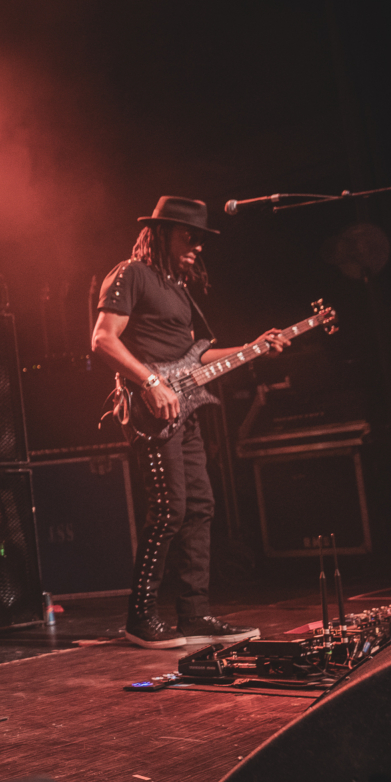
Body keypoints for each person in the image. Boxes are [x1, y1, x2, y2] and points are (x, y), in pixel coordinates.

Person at [90, 196, 289, 649]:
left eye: (202, 239)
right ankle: (140, 619)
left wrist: (253, 347)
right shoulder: (131, 273)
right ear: (161, 233)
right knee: (169, 509)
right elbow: (103, 340)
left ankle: (194, 615)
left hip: (186, 410)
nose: (198, 246)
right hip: (152, 409)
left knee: (200, 506)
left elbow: (195, 360)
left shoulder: (178, 288)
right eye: (190, 236)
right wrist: (149, 382)